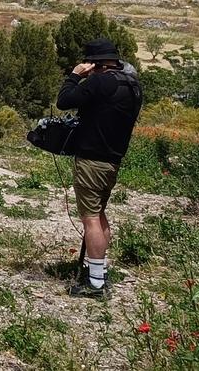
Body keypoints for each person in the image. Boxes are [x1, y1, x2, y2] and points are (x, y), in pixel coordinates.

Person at [57, 37, 143, 299]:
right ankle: (98, 270)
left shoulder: (99, 81)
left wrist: (75, 76)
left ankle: (95, 284)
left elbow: (64, 100)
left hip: (92, 159)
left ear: (94, 63)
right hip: (112, 160)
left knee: (90, 218)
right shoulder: (132, 85)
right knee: (100, 214)